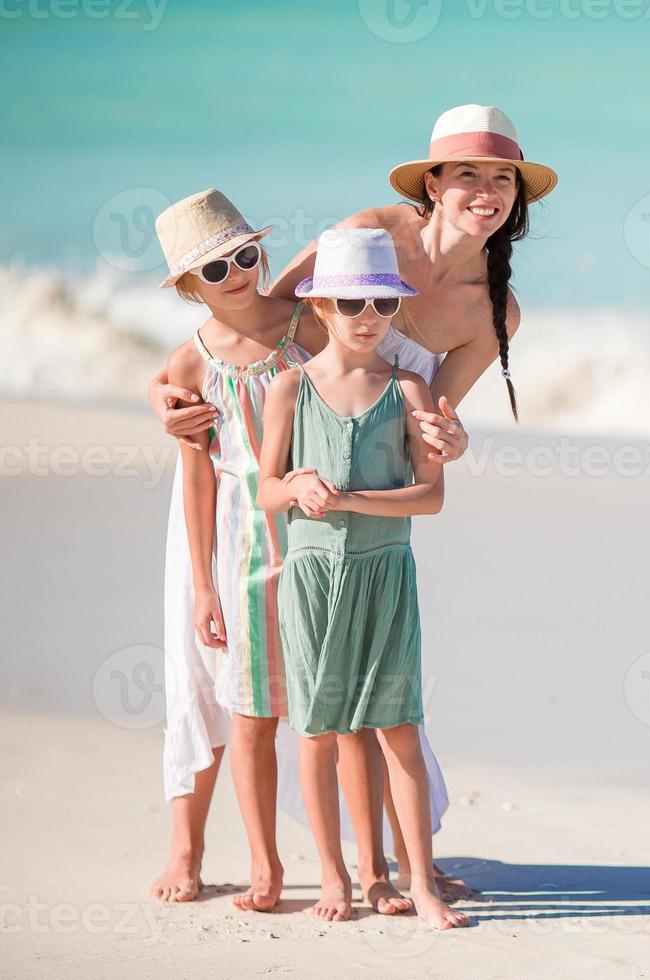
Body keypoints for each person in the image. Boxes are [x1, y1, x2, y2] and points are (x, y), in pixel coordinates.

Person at [146, 104, 556, 898]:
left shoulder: (494, 309)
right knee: (210, 663)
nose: (485, 190)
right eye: (466, 172)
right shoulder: (370, 235)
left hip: (347, 489)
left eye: (501, 177)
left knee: (368, 679)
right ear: (431, 183)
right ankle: (187, 849)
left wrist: (446, 442)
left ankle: (394, 859)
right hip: (253, 452)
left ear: (518, 196)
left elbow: (427, 418)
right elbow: (269, 319)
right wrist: (162, 395)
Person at [257, 227, 468, 929]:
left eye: (381, 301)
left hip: (386, 574)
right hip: (313, 578)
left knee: (398, 727)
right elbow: (264, 490)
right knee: (319, 731)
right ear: (321, 307)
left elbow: (431, 497)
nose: (367, 315)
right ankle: (336, 876)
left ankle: (421, 883)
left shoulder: (408, 388)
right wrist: (296, 484)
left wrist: (348, 499)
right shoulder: (288, 387)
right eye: (351, 302)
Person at [148, 189, 311, 910]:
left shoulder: (315, 324)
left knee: (331, 697)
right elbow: (197, 474)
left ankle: (373, 856)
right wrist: (205, 586)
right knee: (230, 697)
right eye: (214, 270)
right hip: (237, 543)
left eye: (246, 256)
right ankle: (225, 856)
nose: (238, 272)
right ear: (187, 288)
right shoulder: (190, 365)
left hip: (315, 534)